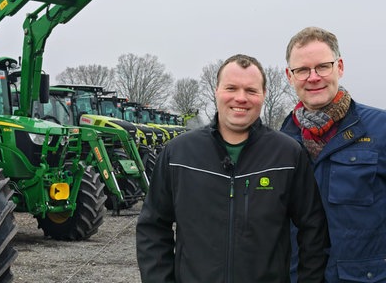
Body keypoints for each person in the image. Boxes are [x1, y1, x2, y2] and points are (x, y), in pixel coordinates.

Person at [136, 54, 329, 283]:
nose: (241, 98)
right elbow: (153, 228)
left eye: (251, 90)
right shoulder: (178, 154)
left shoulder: (288, 155)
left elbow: (314, 231)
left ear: (263, 95)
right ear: (216, 91)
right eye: (231, 88)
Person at [281, 26, 386, 282]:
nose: (313, 77)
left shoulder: (380, 130)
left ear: (339, 67)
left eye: (322, 66)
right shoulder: (281, 142)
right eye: (302, 70)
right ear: (289, 76)